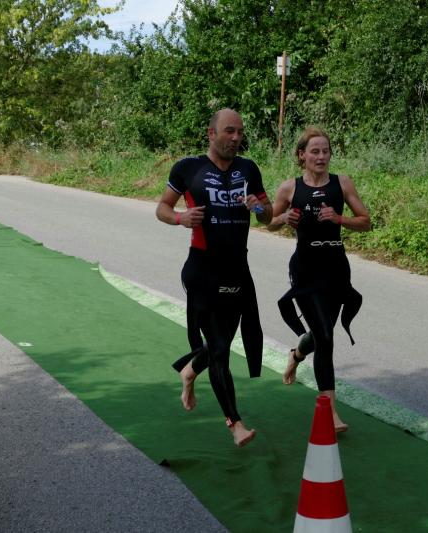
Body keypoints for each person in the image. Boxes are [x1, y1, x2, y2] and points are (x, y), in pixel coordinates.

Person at [156, 108, 272, 447]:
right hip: (202, 269)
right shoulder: (188, 168)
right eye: (229, 131)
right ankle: (235, 424)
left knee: (222, 341)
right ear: (211, 133)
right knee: (220, 349)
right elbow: (162, 208)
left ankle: (190, 370)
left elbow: (267, 216)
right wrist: (180, 218)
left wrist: (258, 207)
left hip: (237, 269)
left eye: (240, 132)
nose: (236, 138)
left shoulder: (248, 169)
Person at [267, 126, 371, 432]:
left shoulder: (342, 183)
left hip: (336, 268)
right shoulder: (289, 188)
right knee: (325, 336)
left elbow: (366, 222)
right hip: (305, 270)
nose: (321, 156)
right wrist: (283, 218)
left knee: (321, 333)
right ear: (302, 155)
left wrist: (339, 218)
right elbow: (269, 221)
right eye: (315, 151)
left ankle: (296, 353)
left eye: (326, 151)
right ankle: (331, 412)